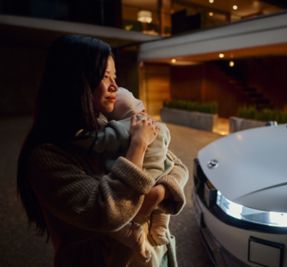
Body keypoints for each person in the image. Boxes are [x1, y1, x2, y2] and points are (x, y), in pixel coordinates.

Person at [16, 34, 188, 267]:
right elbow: (109, 211)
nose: (115, 87)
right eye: (105, 76)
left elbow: (177, 165)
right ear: (76, 81)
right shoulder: (46, 157)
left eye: (114, 76)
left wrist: (157, 193)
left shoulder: (108, 128)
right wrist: (138, 145)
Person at [73, 87, 174, 262]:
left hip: (139, 180)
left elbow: (99, 141)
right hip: (160, 173)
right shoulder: (158, 125)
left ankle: (136, 231)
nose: (112, 83)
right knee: (161, 208)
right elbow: (170, 154)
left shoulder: (123, 127)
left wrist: (82, 138)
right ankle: (160, 226)